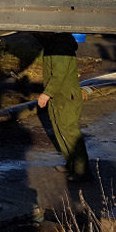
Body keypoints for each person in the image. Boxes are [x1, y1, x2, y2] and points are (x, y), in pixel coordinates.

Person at [36, 32, 91, 181]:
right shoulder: (54, 44)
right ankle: (71, 164)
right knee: (61, 131)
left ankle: (81, 172)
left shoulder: (60, 46)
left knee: (70, 133)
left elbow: (59, 75)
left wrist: (46, 94)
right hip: (60, 96)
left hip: (66, 96)